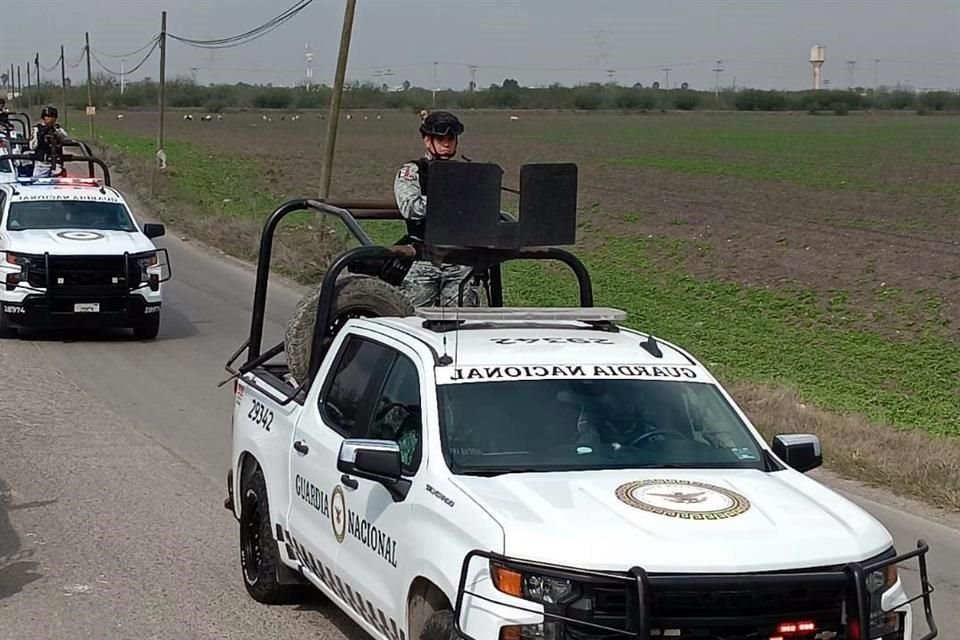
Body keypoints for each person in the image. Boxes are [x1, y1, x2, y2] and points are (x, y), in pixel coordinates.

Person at [393, 110, 481, 308]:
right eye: (440, 138)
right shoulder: (413, 171)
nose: (447, 143)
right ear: (426, 140)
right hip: (424, 259)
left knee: (462, 323)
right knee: (412, 321)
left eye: (451, 138)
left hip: (461, 261)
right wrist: (447, 199)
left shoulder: (467, 173)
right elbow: (410, 208)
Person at [30, 105, 67, 178]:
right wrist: (41, 134)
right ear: (43, 117)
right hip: (42, 163)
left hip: (56, 163)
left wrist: (55, 131)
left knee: (58, 185)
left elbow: (64, 135)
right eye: (47, 116)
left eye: (52, 116)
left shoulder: (57, 128)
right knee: (38, 185)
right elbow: (32, 146)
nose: (50, 118)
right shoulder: (37, 129)